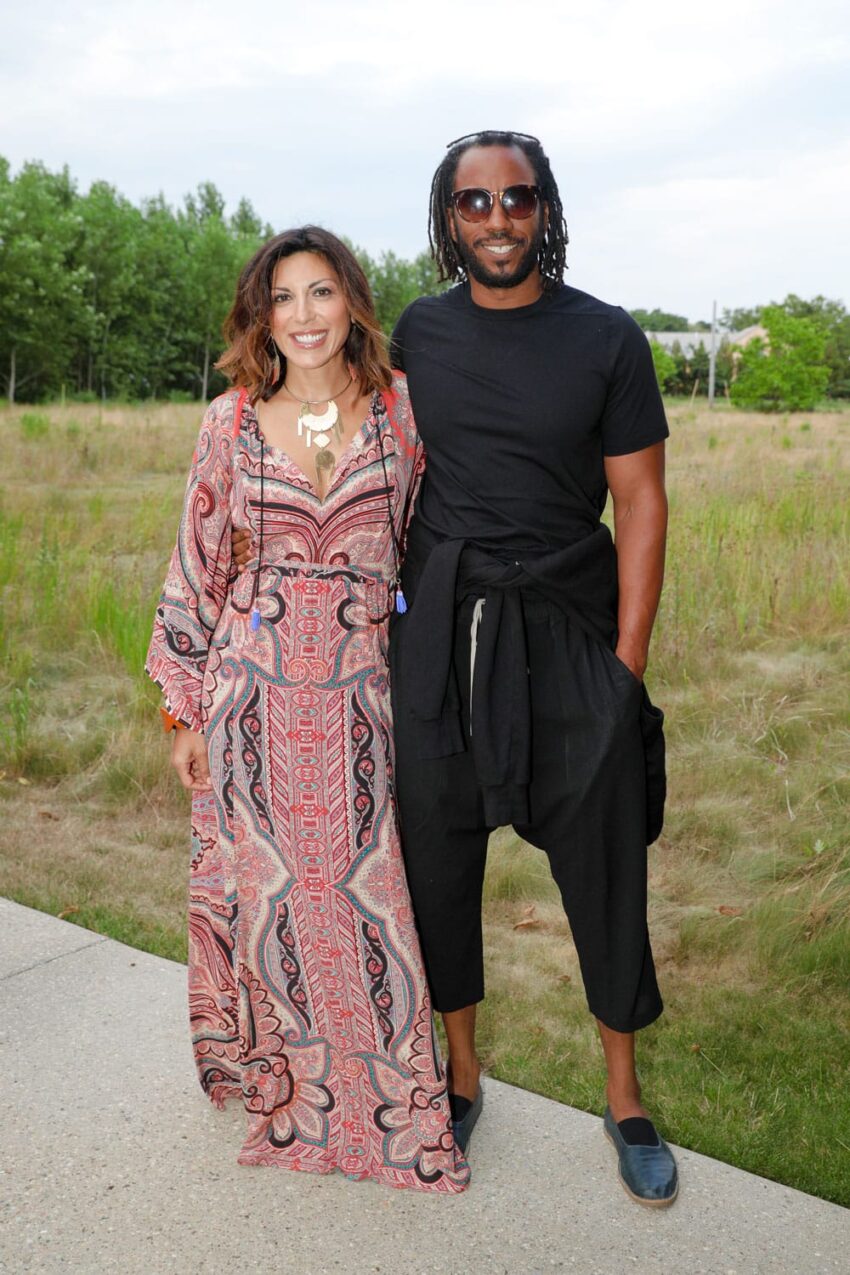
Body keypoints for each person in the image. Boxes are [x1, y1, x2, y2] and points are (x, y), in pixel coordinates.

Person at [387, 130, 678, 1206]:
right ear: (448, 216)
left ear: (543, 208)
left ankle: (625, 1094)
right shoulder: (417, 331)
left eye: (515, 200)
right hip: (444, 640)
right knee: (438, 864)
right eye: (474, 203)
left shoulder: (604, 337)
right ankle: (460, 1076)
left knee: (604, 868)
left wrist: (624, 667)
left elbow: (641, 502)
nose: (496, 219)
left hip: (567, 628)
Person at [146, 226, 469, 1193]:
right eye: (283, 298)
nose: (304, 315)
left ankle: (394, 1107)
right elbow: (194, 568)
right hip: (250, 698)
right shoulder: (231, 420)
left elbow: (428, 540)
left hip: (365, 695)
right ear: (262, 315)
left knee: (370, 900)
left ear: (352, 302)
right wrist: (186, 715)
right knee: (270, 903)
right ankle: (287, 1087)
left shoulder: (403, 412)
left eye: (320, 293)